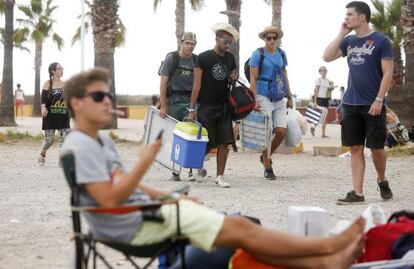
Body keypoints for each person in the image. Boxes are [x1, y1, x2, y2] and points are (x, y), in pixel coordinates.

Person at [62, 67, 365, 269]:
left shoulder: (100, 140)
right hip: (134, 227)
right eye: (99, 96)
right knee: (240, 229)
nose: (107, 102)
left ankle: (324, 259)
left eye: (109, 95)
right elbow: (110, 201)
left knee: (240, 228)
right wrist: (144, 163)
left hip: (149, 214)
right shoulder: (79, 146)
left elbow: (126, 184)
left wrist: (171, 198)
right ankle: (326, 252)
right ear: (76, 103)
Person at [323, 1, 394, 205]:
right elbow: (326, 57)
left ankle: (382, 180)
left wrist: (379, 99)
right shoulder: (349, 41)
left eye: (349, 14)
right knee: (355, 148)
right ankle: (358, 192)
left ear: (362, 17)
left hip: (374, 103)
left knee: (377, 148)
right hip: (351, 103)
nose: (346, 18)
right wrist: (341, 35)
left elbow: (388, 73)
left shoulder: (381, 40)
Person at [188, 23, 239, 188]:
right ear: (217, 39)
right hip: (206, 106)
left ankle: (219, 176)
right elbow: (196, 85)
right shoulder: (203, 57)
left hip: (224, 105)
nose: (227, 45)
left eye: (230, 42)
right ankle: (193, 166)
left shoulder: (230, 58)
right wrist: (191, 109)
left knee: (225, 142)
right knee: (209, 142)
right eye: (225, 41)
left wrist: (233, 77)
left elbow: (232, 80)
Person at [249, 26, 294, 180]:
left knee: (281, 130)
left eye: (275, 37)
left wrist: (289, 96)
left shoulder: (282, 54)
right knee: (266, 132)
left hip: (279, 95)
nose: (272, 40)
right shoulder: (257, 54)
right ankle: (268, 167)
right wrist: (254, 99)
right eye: (269, 38)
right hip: (263, 95)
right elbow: (253, 79)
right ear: (264, 39)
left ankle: (266, 157)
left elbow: (285, 74)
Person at [159, 32, 204, 182]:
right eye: (187, 43)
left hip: (189, 102)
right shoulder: (172, 58)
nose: (190, 46)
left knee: (190, 136)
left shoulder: (197, 60)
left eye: (193, 44)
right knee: (174, 137)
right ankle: (175, 171)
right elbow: (163, 82)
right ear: (182, 42)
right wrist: (163, 104)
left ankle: (190, 170)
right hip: (173, 101)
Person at [38, 62, 70, 166]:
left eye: (62, 68)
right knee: (49, 140)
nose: (62, 70)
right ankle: (42, 154)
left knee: (64, 139)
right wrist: (43, 108)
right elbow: (43, 99)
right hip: (50, 116)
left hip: (63, 115)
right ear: (53, 71)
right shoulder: (47, 84)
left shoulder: (65, 84)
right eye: (59, 69)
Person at [310, 66, 336, 137]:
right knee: (322, 115)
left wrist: (333, 87)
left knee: (325, 116)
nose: (324, 71)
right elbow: (316, 90)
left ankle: (322, 133)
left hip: (325, 99)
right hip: (319, 98)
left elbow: (328, 88)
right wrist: (315, 101)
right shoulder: (318, 80)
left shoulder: (327, 80)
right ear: (320, 72)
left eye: (325, 70)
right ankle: (314, 128)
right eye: (322, 70)